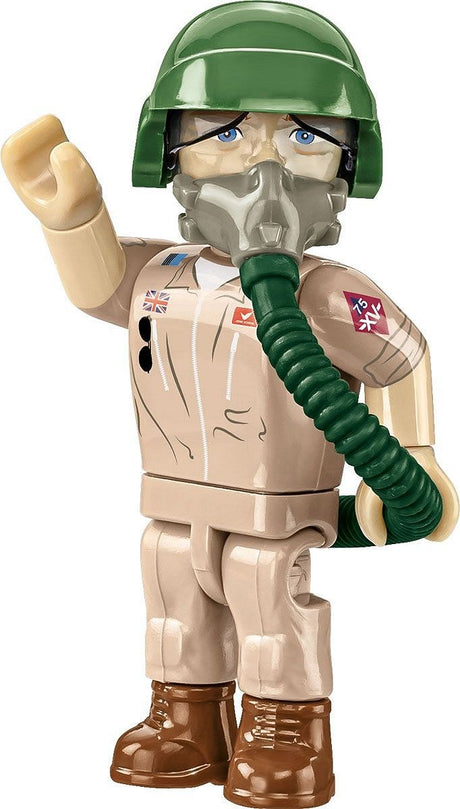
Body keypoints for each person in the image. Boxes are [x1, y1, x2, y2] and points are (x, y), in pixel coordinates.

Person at [2, 3, 457, 807]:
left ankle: (286, 725)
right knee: (171, 590)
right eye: (226, 133)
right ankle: (185, 716)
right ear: (172, 154)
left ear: (348, 165)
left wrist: (409, 456)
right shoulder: (162, 273)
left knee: (268, 598)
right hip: (175, 498)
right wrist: (75, 219)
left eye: (306, 137)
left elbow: (401, 353)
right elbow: (99, 285)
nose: (264, 170)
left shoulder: (327, 294)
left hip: (273, 512)